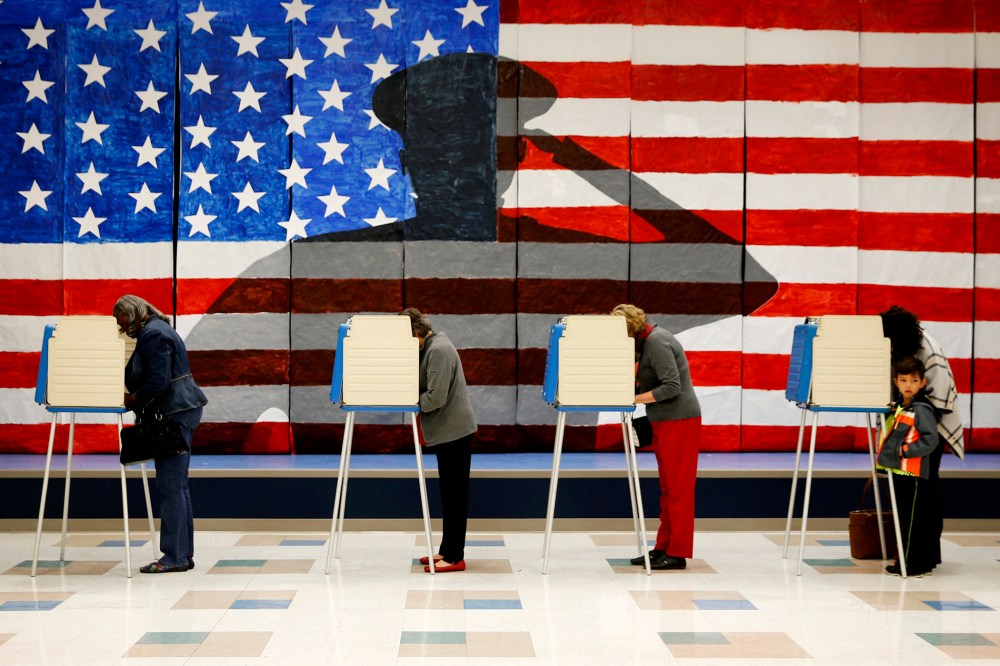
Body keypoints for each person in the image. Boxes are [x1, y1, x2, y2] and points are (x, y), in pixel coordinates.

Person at [114, 295, 208, 574]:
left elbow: (159, 380)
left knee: (169, 485)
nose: (121, 329)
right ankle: (182, 554)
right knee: (177, 485)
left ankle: (174, 557)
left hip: (174, 412)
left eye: (122, 322)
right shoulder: (160, 328)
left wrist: (133, 398)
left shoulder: (153, 334)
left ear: (132, 315)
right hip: (182, 410)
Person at [611, 304, 701, 570]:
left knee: (679, 490)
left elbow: (671, 387)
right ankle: (663, 547)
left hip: (680, 420)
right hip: (665, 420)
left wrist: (634, 398)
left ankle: (678, 552)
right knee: (668, 489)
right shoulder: (648, 340)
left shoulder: (658, 342)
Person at [401, 308, 477, 573]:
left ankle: (455, 557)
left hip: (454, 432)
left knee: (455, 496)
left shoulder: (439, 350)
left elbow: (436, 397)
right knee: (449, 494)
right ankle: (447, 550)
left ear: (416, 332)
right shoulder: (430, 347)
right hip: (447, 431)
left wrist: (407, 401)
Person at [876, 356, 942, 577]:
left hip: (913, 473)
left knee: (911, 521)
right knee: (904, 518)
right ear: (896, 382)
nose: (908, 385)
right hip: (900, 472)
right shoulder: (901, 407)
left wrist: (905, 451)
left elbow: (931, 440)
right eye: (903, 380)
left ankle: (912, 564)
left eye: (913, 380)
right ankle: (909, 561)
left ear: (922, 383)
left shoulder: (921, 409)